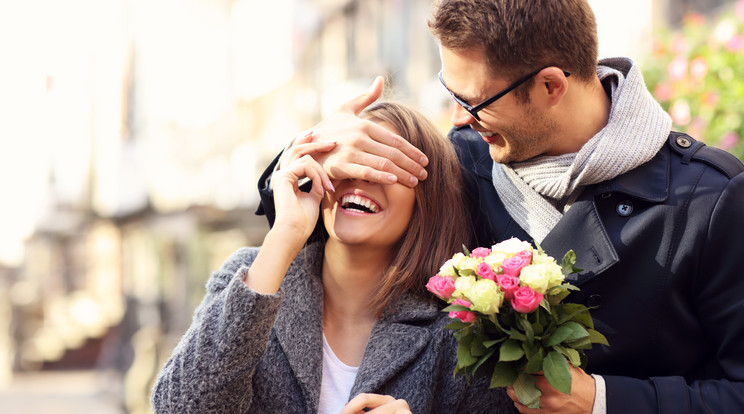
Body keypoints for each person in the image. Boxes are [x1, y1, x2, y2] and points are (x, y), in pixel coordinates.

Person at [255, 1, 744, 413]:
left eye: (474, 102)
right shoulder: (459, 163)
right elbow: (319, 220)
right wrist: (318, 148)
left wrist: (601, 400)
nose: (456, 118)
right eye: (451, 94)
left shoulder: (711, 198)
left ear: (551, 85)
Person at [151, 102, 513, 413]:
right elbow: (180, 406)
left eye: (384, 164)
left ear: (428, 199)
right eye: (349, 161)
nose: (361, 177)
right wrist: (285, 234)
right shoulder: (252, 275)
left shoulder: (457, 331)